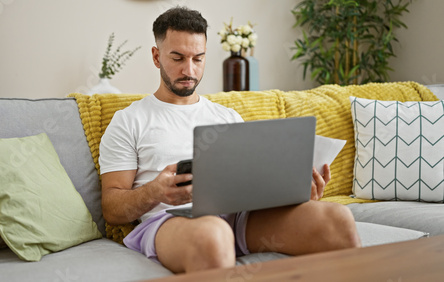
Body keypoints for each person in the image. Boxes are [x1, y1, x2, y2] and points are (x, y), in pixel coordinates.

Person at [99, 6, 361, 274]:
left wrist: (294, 193)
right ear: (156, 56)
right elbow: (111, 207)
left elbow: (253, 182)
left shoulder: (227, 116)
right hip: (170, 221)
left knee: (338, 220)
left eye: (198, 59)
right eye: (177, 58)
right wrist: (154, 192)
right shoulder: (129, 120)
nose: (189, 70)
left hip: (241, 218)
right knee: (214, 235)